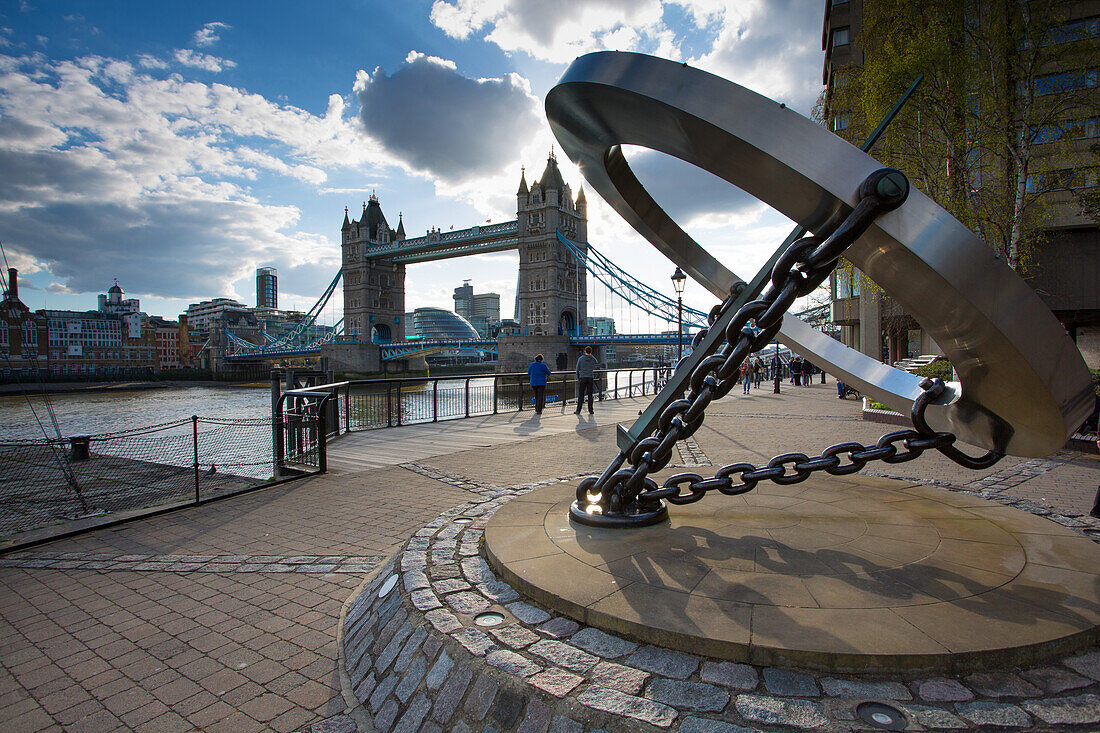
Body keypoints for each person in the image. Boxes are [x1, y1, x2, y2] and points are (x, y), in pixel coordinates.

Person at [575, 346, 598, 414]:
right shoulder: (592, 359)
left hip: (582, 378)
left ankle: (578, 410)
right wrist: (590, 355)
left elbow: (577, 369)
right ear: (590, 352)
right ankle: (591, 410)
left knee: (581, 395)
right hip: (590, 378)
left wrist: (578, 377)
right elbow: (596, 361)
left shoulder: (581, 359)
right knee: (590, 395)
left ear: (585, 351)